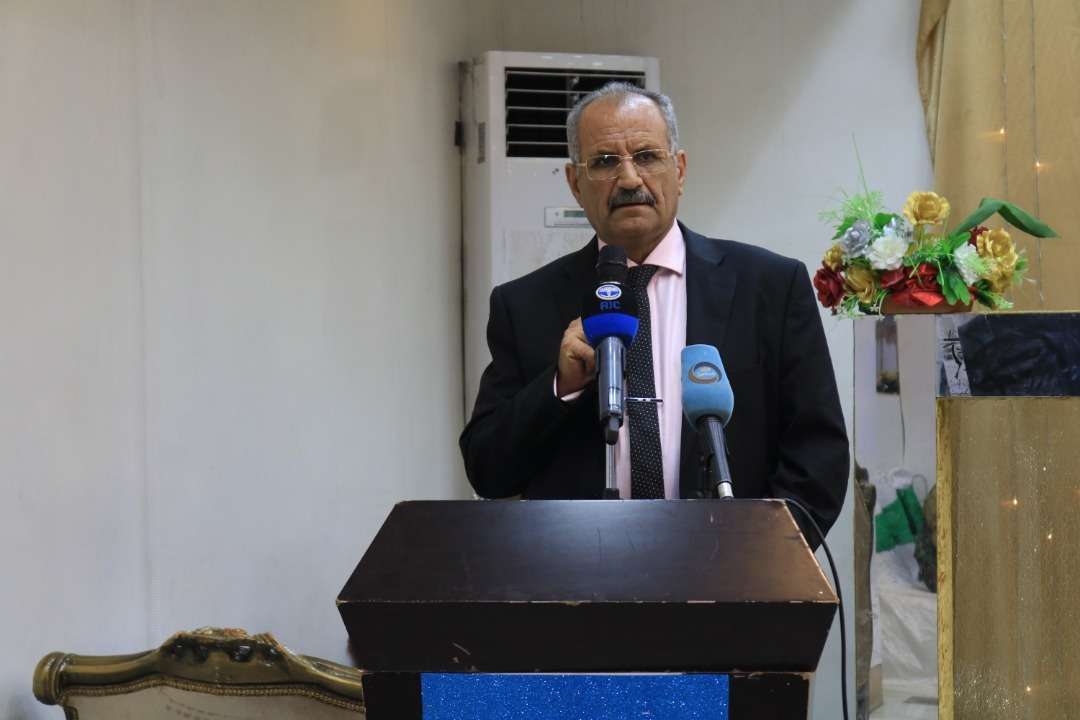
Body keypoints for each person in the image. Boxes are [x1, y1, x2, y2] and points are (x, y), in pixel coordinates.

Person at [459, 82, 848, 539]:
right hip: (580, 573)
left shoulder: (770, 287)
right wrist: (560, 386)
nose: (629, 179)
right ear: (575, 184)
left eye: (646, 156)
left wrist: (759, 558)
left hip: (734, 570)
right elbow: (488, 469)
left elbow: (818, 455)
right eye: (605, 162)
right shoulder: (524, 305)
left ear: (678, 170)